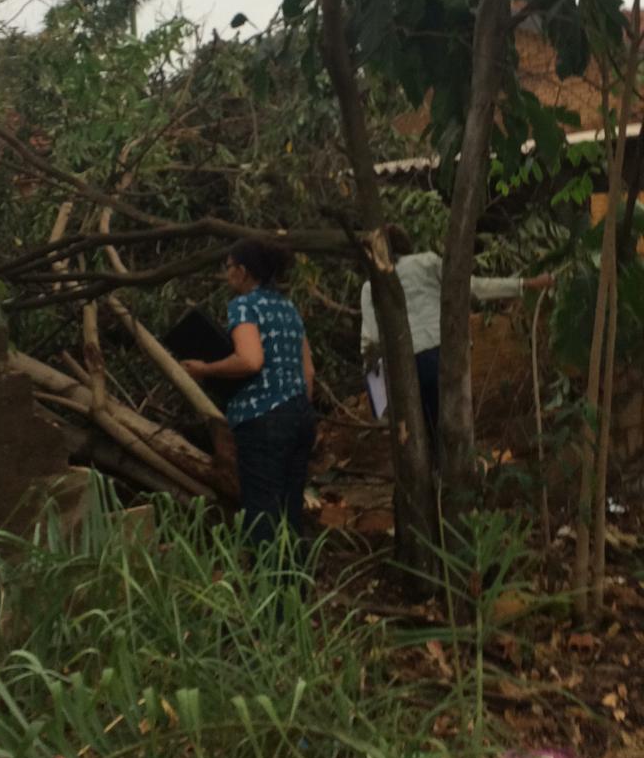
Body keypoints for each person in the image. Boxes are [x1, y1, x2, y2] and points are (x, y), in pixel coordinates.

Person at [182, 238, 316, 552]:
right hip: (299, 415)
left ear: (242, 271)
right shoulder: (288, 307)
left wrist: (205, 368)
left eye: (228, 267)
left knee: (262, 512)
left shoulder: (244, 306)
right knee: (290, 509)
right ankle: (295, 591)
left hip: (262, 419)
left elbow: (250, 360)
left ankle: (267, 593)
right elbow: (308, 371)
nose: (226, 274)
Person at [360, 225, 554, 438]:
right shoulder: (427, 262)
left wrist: (378, 398)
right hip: (441, 356)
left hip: (404, 367)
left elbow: (370, 341)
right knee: (446, 428)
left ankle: (390, 425)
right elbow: (472, 286)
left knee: (419, 432)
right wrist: (525, 283)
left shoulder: (371, 287)